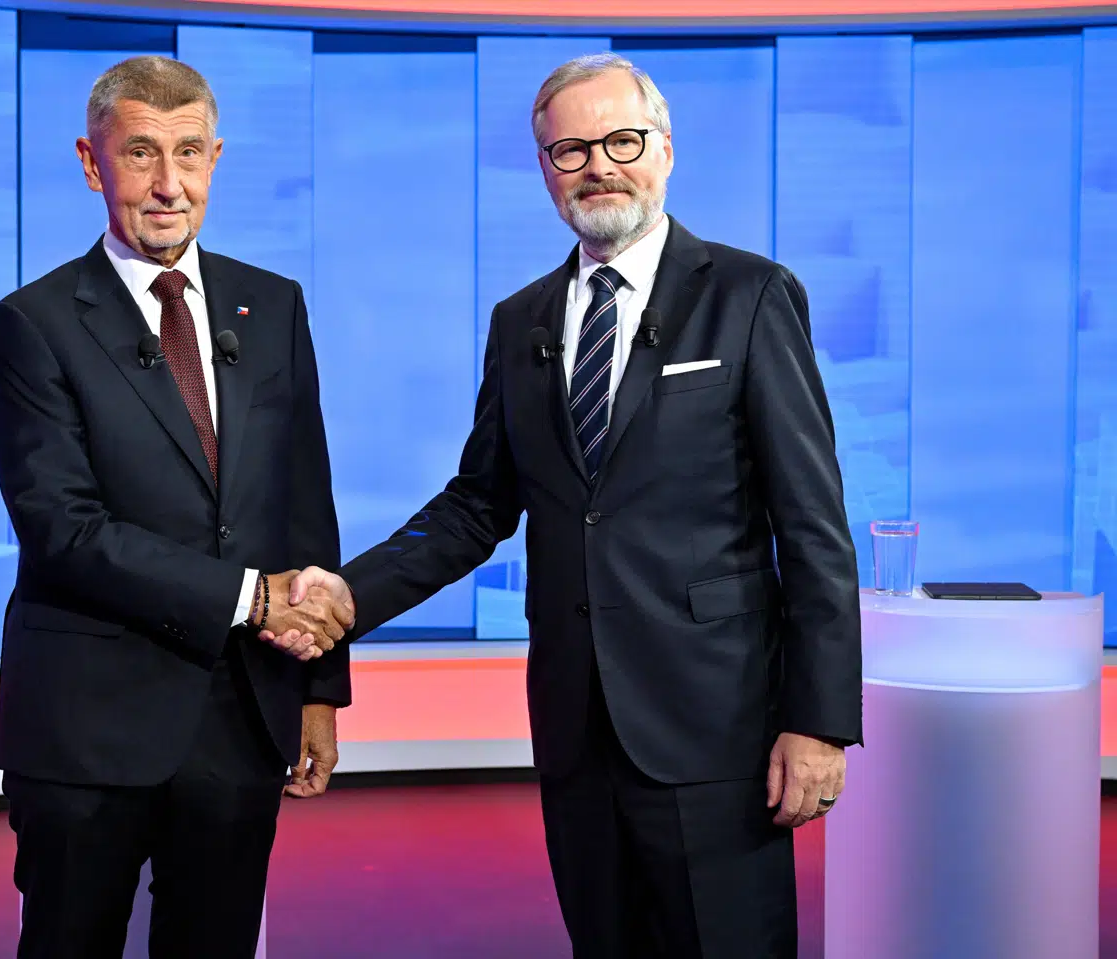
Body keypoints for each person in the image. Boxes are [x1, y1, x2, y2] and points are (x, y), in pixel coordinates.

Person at [269, 53, 861, 958]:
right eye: (570, 150)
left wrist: (817, 720)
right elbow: (477, 505)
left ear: (664, 150)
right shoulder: (523, 320)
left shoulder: (748, 295)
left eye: (621, 140)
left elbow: (813, 526)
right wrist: (346, 597)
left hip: (717, 728)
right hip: (578, 726)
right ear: (544, 170)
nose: (599, 166)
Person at [0, 55, 354, 959]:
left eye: (189, 154)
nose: (167, 183)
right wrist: (253, 598)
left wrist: (318, 691)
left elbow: (305, 497)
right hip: (86, 728)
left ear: (215, 157)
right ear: (90, 161)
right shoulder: (33, 325)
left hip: (240, 717)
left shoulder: (274, 305)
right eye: (140, 153)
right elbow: (62, 529)